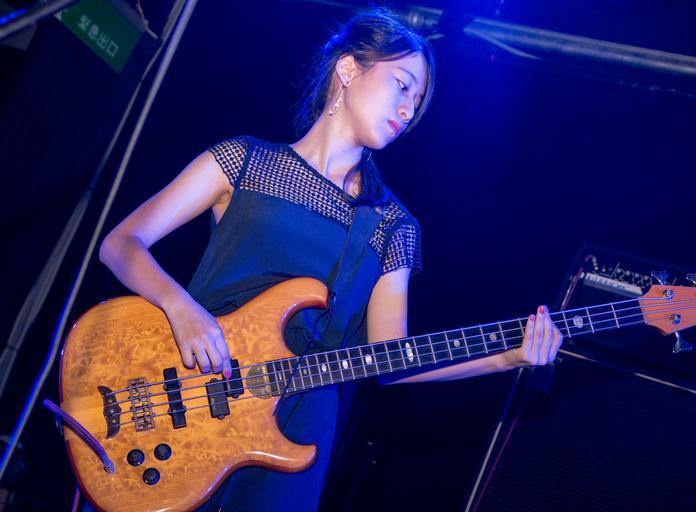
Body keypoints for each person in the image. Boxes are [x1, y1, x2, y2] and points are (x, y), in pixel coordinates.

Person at [97, 7, 563, 511]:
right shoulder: (245, 161)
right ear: (348, 69)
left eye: (417, 102)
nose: (408, 110)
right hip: (188, 389)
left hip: (297, 424)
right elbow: (121, 244)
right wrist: (181, 307)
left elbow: (391, 359)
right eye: (402, 86)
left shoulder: (392, 226)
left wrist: (506, 357)